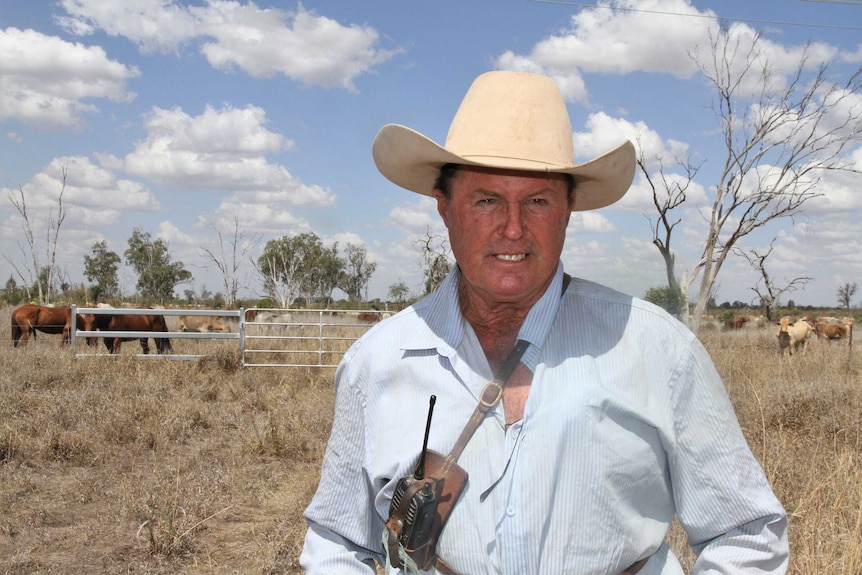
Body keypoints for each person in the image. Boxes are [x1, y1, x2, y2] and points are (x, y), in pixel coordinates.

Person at [300, 71, 789, 574]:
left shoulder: (658, 349)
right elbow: (337, 544)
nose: (513, 228)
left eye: (537, 201)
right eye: (486, 200)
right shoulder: (377, 362)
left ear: (568, 209)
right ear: (444, 208)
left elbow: (745, 534)